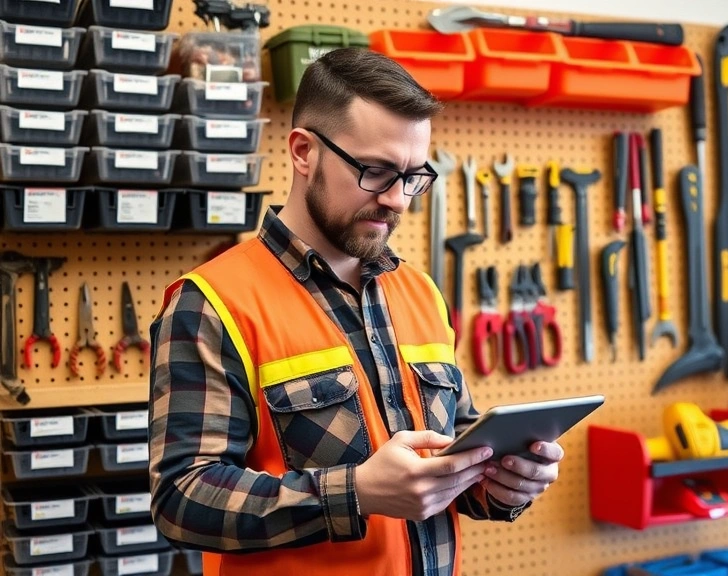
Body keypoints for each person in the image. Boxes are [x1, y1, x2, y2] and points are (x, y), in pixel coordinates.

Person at [147, 47, 564, 576]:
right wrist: (357, 493)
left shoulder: (421, 293)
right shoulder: (213, 301)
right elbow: (182, 500)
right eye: (376, 171)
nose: (398, 200)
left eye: (414, 176)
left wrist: (502, 483)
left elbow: (448, 464)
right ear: (303, 152)